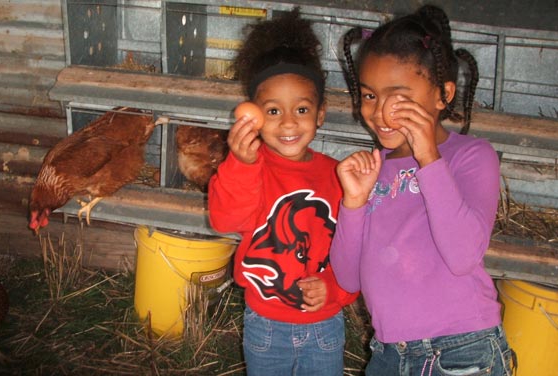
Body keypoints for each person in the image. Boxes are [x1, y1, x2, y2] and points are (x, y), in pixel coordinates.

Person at [330, 5, 513, 376]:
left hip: (462, 350)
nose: (380, 113)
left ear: (443, 93)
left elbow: (463, 255)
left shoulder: (471, 157)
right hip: (387, 354)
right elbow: (347, 278)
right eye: (369, 96)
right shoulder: (373, 169)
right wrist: (353, 202)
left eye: (398, 98)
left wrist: (428, 156)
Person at [208, 8, 358, 376]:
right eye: (273, 111)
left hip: (325, 324)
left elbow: (354, 246)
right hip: (265, 324)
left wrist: (336, 290)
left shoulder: (337, 176)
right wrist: (240, 164)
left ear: (320, 114)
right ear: (253, 116)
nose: (289, 122)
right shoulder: (250, 167)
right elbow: (225, 218)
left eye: (302, 109)